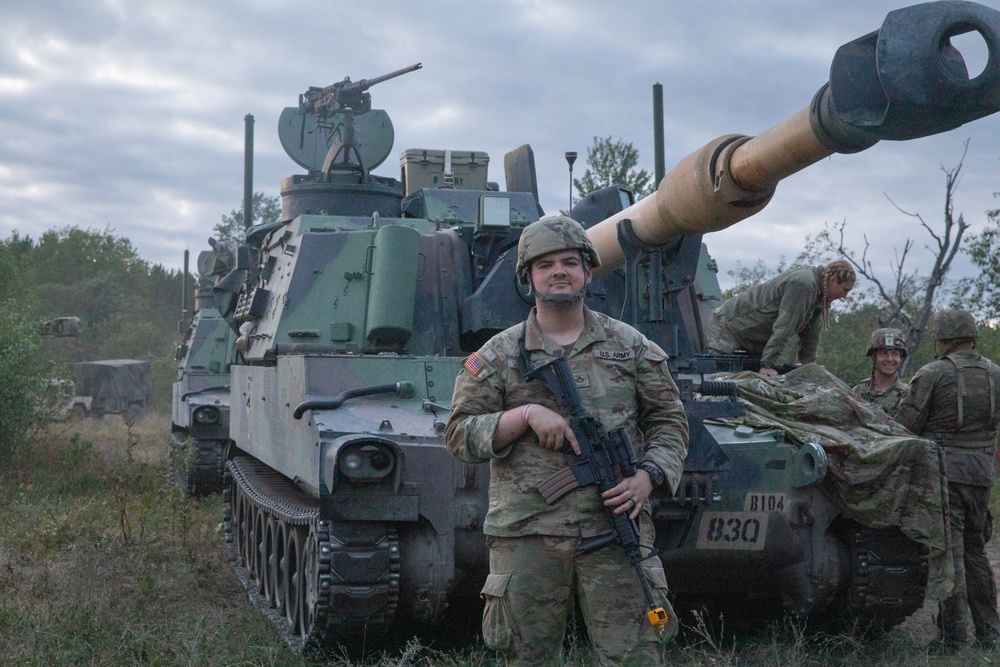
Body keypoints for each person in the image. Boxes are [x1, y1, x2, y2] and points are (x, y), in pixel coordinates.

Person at [445, 215, 689, 666]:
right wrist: (525, 415)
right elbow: (460, 434)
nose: (559, 271)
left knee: (637, 654)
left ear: (588, 271)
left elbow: (669, 421)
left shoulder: (632, 347)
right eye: (545, 265)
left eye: (570, 262)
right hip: (528, 535)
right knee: (526, 658)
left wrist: (648, 476)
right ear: (528, 278)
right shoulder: (498, 355)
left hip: (617, 530)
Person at [894, 309, 1000, 651]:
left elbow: (903, 426)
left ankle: (952, 639)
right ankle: (990, 634)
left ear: (944, 339)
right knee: (976, 553)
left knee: (948, 555)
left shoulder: (933, 373)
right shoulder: (996, 374)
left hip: (943, 475)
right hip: (981, 475)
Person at [704, 260, 856, 377]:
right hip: (729, 328)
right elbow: (785, 325)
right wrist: (768, 363)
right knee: (717, 385)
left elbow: (811, 333)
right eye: (845, 290)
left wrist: (809, 365)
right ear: (833, 279)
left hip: (754, 340)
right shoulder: (804, 284)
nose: (844, 296)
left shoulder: (820, 295)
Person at [852, 327, 909, 414]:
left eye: (895, 354)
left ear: (901, 358)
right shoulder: (858, 392)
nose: (890, 359)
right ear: (873, 357)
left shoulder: (908, 396)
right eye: (883, 353)